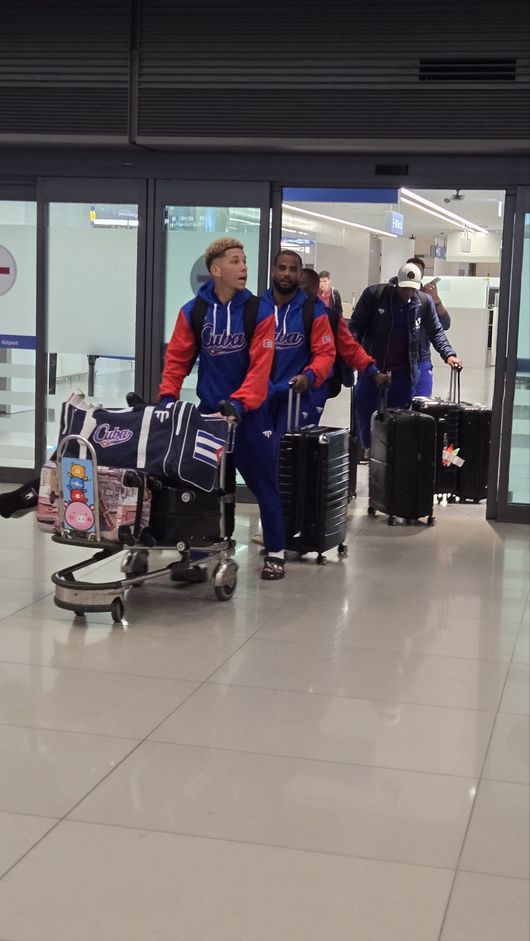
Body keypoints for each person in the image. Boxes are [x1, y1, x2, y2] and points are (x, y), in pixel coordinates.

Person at [159, 237, 286, 581]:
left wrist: (240, 404)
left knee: (264, 485)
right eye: (234, 261)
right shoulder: (193, 312)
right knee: (204, 489)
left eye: (244, 260)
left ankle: (276, 552)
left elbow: (260, 370)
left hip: (251, 414)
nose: (243, 266)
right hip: (210, 417)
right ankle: (200, 555)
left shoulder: (260, 311)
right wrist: (167, 399)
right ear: (215, 270)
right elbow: (177, 360)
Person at [350, 261, 463, 449]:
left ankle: (393, 461)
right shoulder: (375, 295)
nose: (408, 293)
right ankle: (369, 453)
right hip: (372, 372)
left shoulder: (424, 302)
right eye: (405, 289)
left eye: (413, 289)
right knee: (365, 415)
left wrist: (448, 354)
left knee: (398, 424)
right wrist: (353, 354)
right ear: (397, 283)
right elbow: (356, 326)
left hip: (403, 375)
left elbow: (436, 331)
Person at [262, 251, 336, 448]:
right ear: (273, 271)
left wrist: (309, 376)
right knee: (259, 457)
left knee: (283, 456)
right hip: (260, 397)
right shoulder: (258, 308)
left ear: (299, 273)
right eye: (282, 268)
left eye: (293, 269)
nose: (287, 273)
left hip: (294, 398)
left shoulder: (313, 312)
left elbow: (325, 353)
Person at [299, 268, 390, 424]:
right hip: (282, 387)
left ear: (314, 289)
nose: (297, 290)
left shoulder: (329, 317)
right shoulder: (276, 314)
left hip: (315, 387)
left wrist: (374, 373)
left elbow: (351, 349)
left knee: (299, 436)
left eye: (302, 286)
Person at [402, 256, 451, 397]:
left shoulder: (426, 298)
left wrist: (436, 300)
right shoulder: (397, 295)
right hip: (401, 360)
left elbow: (445, 324)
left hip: (422, 359)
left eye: (419, 270)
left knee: (422, 401)